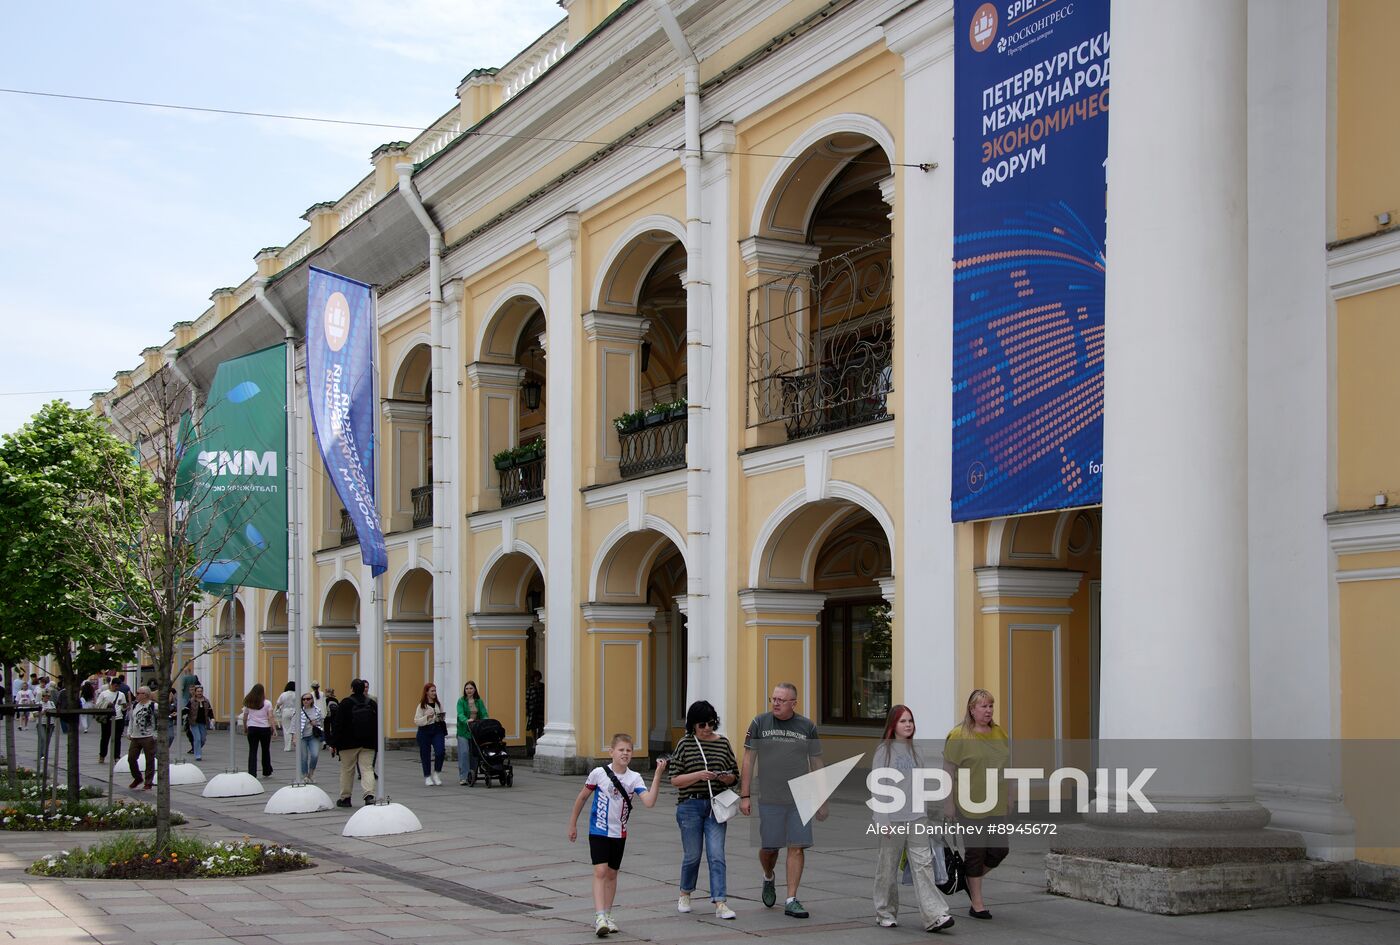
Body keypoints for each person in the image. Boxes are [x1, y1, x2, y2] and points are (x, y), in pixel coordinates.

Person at [567, 734, 667, 937]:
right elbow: (582, 797)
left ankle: (608, 915)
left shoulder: (634, 778)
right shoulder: (598, 773)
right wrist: (573, 824)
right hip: (598, 830)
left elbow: (649, 802)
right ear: (611, 752)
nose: (625, 753)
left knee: (612, 874)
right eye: (621, 750)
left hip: (619, 833)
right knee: (600, 871)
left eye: (629, 750)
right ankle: (600, 917)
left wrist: (657, 774)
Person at [739, 683, 824, 919]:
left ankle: (791, 899)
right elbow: (748, 760)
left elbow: (816, 762)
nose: (775, 703)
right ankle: (768, 876)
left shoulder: (807, 726)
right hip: (770, 797)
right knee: (769, 849)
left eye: (781, 700)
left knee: (796, 847)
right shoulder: (760, 723)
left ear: (793, 703)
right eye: (773, 699)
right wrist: (745, 795)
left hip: (800, 798)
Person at [872, 705, 954, 932]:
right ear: (893, 725)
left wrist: (924, 814)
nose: (908, 725)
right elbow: (879, 787)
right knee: (887, 869)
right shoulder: (884, 751)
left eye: (910, 720)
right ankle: (885, 912)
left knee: (924, 866)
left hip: (917, 818)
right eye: (903, 721)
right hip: (892, 820)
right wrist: (882, 820)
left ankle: (934, 915)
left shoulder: (917, 750)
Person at [942, 689, 1011, 921]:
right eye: (983, 706)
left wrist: (1010, 795)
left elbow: (1007, 767)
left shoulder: (999, 733)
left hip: (996, 802)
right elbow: (948, 771)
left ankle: (968, 879)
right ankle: (977, 903)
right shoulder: (959, 735)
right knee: (976, 851)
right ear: (972, 710)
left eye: (991, 706)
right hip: (968, 803)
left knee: (999, 850)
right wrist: (948, 803)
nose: (988, 710)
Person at [668, 700, 739, 920]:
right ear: (693, 725)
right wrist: (698, 775)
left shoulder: (723, 743)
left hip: (715, 806)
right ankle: (685, 893)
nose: (707, 728)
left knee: (717, 855)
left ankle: (720, 902)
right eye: (702, 725)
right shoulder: (685, 744)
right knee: (692, 855)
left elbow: (735, 774)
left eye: (711, 723)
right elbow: (675, 779)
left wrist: (726, 777)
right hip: (690, 806)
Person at [333, 678, 378, 807]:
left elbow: (338, 724)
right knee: (367, 769)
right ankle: (369, 795)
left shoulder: (345, 703)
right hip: (368, 743)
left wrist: (334, 743)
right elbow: (377, 724)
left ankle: (345, 798)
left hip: (347, 744)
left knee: (347, 770)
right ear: (364, 689)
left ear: (352, 689)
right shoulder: (372, 703)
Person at [238, 683, 278, 778]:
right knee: (265, 750)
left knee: (252, 750)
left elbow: (245, 717)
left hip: (252, 728)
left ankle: (252, 772)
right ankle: (266, 770)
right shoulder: (267, 703)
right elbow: (270, 716)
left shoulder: (248, 702)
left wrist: (245, 727)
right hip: (264, 728)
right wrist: (274, 728)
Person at [455, 680, 487, 785]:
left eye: (471, 688)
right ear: (464, 690)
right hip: (463, 731)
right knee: (464, 753)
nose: (469, 690)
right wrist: (466, 720)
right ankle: (463, 777)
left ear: (475, 690)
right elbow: (460, 714)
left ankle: (472, 775)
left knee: (474, 754)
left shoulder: (479, 701)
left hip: (475, 731)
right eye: (467, 688)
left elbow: (484, 713)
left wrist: (485, 721)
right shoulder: (461, 701)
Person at [415, 682, 447, 786]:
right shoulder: (421, 706)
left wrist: (441, 717)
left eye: (435, 691)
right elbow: (417, 721)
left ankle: (437, 773)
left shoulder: (438, 704)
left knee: (440, 751)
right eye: (432, 691)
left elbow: (442, 717)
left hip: (437, 729)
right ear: (427, 692)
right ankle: (427, 776)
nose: (434, 693)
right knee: (425, 754)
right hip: (425, 731)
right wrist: (427, 717)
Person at [126, 686, 157, 790]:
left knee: (149, 760)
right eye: (137, 693)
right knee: (131, 758)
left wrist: (155, 734)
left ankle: (148, 782)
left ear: (146, 695)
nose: (137, 695)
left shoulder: (153, 706)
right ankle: (138, 777)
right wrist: (129, 732)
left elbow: (157, 720)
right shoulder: (135, 705)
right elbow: (131, 719)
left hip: (148, 736)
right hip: (135, 736)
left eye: (139, 693)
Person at [94, 677, 128, 763]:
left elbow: (124, 707)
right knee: (105, 738)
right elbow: (97, 705)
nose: (117, 688)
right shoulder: (104, 694)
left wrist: (124, 706)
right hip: (107, 718)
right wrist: (107, 704)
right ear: (112, 685)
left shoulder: (121, 694)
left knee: (117, 738)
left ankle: (116, 756)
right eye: (115, 686)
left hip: (118, 717)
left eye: (118, 686)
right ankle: (102, 755)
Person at [295, 691, 324, 782]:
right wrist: (294, 737)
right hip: (302, 736)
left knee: (315, 755)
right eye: (304, 699)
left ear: (312, 700)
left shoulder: (317, 710)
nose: (306, 701)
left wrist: (316, 724)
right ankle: (305, 776)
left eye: (308, 699)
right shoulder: (299, 711)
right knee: (304, 757)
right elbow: (294, 724)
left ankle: (311, 773)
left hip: (313, 736)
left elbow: (321, 723)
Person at [186, 685, 214, 761]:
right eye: (198, 691)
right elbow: (186, 709)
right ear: (195, 692)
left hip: (203, 723)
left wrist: (212, 718)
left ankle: (196, 748)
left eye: (201, 691)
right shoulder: (192, 701)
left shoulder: (206, 701)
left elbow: (210, 711)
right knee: (197, 739)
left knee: (203, 739)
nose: (199, 693)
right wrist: (179, 713)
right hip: (194, 722)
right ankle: (198, 755)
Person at [525, 670, 544, 757]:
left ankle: (539, 739)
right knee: (533, 726)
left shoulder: (542, 686)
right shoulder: (530, 688)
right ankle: (534, 741)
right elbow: (527, 699)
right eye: (535, 676)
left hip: (541, 708)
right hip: (532, 709)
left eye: (538, 676)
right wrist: (527, 709)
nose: (537, 678)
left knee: (540, 725)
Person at [276, 681, 299, 752]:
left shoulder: (283, 694)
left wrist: (277, 710)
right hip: (295, 712)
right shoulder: (297, 694)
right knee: (296, 728)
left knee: (286, 729)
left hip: (286, 711)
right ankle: (297, 744)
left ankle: (287, 747)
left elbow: (278, 703)